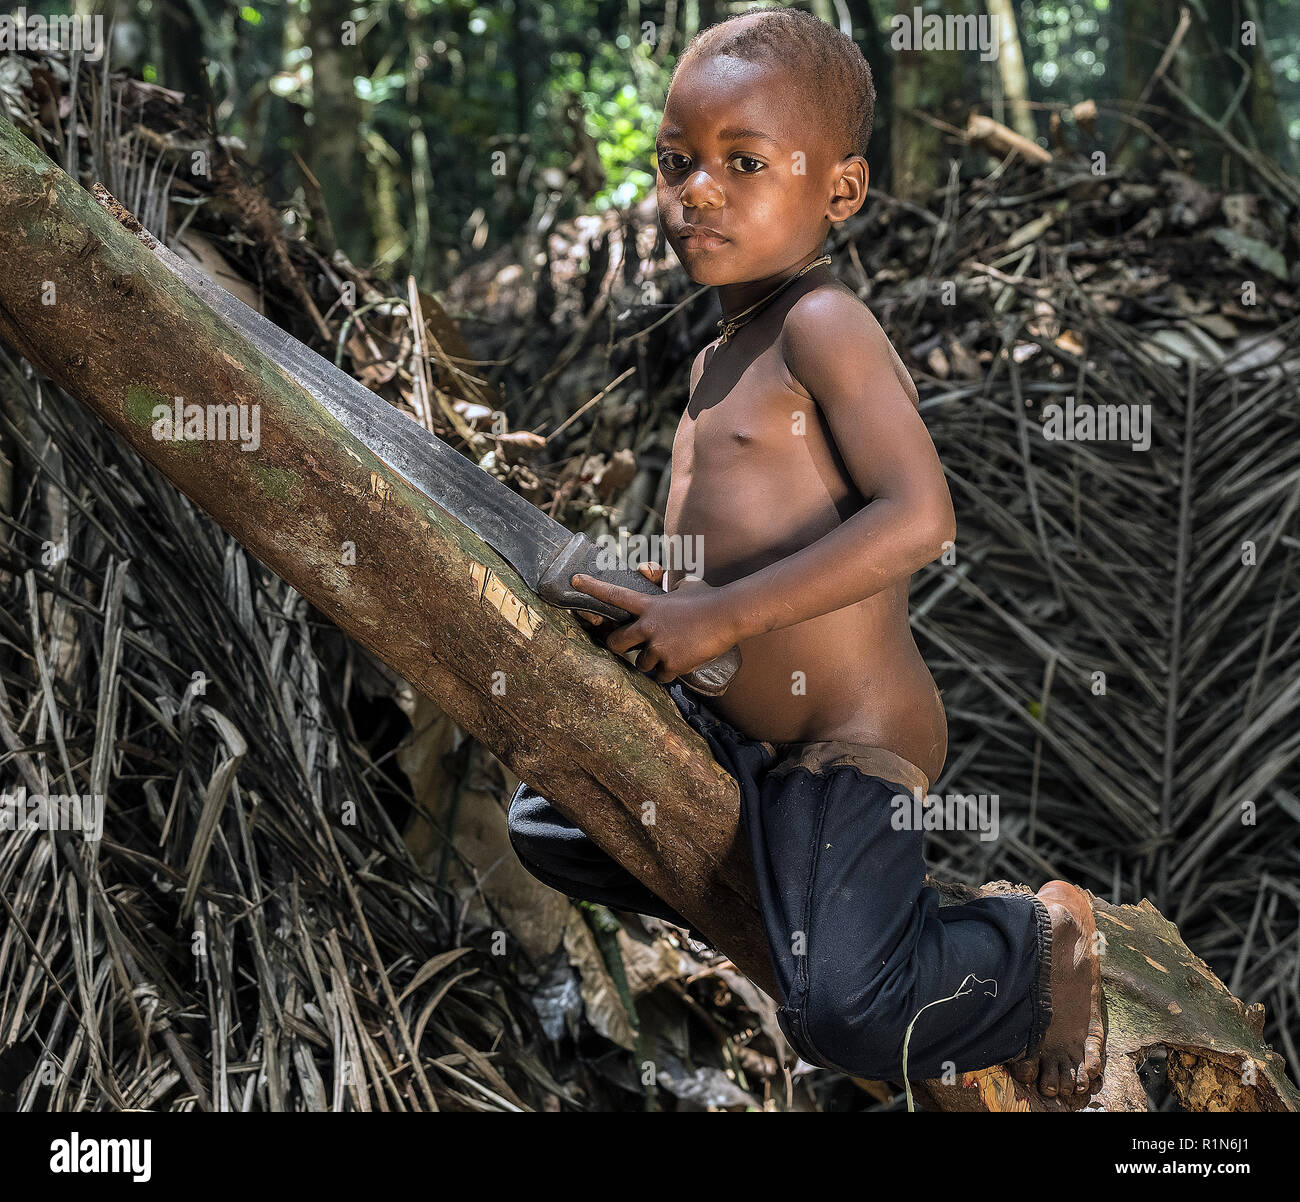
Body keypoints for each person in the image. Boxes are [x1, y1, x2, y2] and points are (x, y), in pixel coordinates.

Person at [508, 6, 1104, 1107]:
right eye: (677, 162)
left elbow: (919, 516)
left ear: (840, 190)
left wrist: (721, 620)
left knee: (845, 1016)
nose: (698, 191)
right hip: (736, 735)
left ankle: (1028, 944)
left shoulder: (824, 322)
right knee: (549, 813)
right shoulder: (717, 351)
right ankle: (821, 919)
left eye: (744, 163)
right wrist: (658, 598)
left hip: (845, 743)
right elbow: (729, 545)